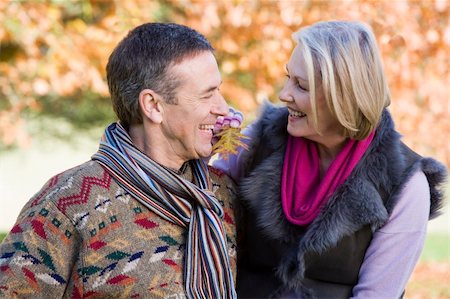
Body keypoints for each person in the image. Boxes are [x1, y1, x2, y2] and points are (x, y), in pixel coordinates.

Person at [0, 23, 238, 298]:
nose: (222, 108)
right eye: (207, 95)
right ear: (153, 106)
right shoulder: (68, 204)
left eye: (219, 91)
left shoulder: (223, 194)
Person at [213, 20, 447, 298]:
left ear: (344, 97)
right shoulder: (259, 140)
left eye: (301, 85)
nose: (284, 94)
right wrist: (207, 146)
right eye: (288, 78)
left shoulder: (406, 186)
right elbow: (201, 202)